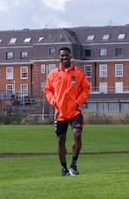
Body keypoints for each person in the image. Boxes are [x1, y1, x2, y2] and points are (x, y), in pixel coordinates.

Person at [44, 47, 90, 176]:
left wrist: (78, 102)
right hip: (60, 112)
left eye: (66, 56)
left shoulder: (79, 73)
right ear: (59, 58)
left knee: (77, 134)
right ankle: (64, 168)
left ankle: (73, 165)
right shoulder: (53, 74)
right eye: (62, 56)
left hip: (75, 110)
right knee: (60, 140)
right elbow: (48, 90)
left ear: (70, 57)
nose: (64, 58)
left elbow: (86, 88)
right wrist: (54, 101)